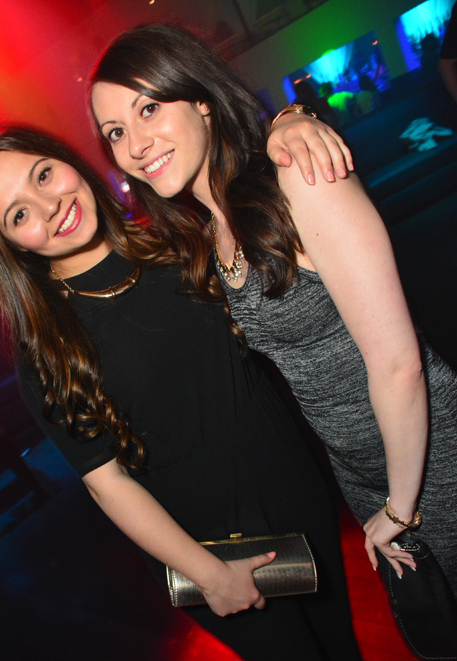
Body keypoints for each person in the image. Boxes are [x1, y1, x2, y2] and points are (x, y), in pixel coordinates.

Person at [0, 126, 379, 661]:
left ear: (70, 161)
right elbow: (108, 484)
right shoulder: (47, 348)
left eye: (44, 175)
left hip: (296, 499)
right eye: (19, 214)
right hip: (208, 551)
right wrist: (209, 575)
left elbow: (232, 164)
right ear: (11, 243)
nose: (49, 205)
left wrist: (288, 120)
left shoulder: (179, 241)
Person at [90, 23, 457, 598]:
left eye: (149, 109)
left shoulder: (298, 181)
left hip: (430, 455)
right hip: (361, 470)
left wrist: (401, 506)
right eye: (115, 131)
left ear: (202, 101)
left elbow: (398, 363)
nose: (135, 144)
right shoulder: (208, 239)